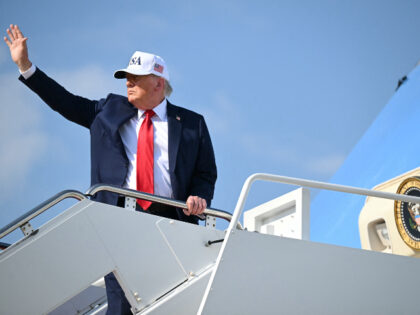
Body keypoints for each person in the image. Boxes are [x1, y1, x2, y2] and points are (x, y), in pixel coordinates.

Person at [4, 24, 217, 315]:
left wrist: (199, 197)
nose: (128, 83)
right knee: (120, 305)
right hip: (120, 217)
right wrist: (27, 67)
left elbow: (205, 174)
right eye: (126, 77)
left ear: (158, 83)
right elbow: (65, 103)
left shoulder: (192, 123)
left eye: (136, 78)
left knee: (173, 299)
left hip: (172, 221)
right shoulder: (108, 110)